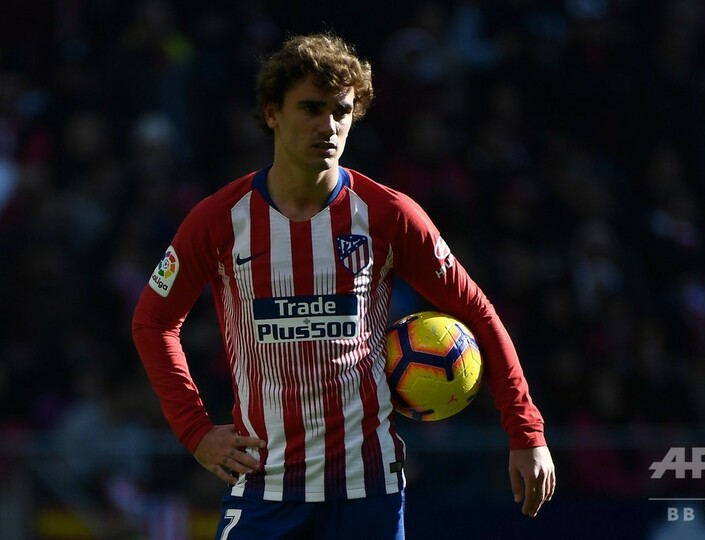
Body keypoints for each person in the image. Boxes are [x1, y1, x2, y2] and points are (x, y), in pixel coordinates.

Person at [131, 32, 555, 539]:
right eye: (311, 108)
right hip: (265, 489)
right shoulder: (219, 219)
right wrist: (195, 431)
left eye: (342, 111)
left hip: (368, 491)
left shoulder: (389, 215)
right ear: (272, 113)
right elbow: (153, 321)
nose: (328, 126)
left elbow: (477, 311)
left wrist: (526, 430)